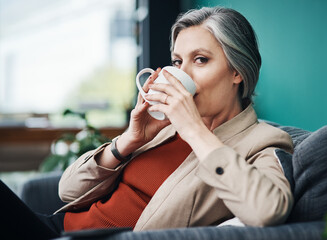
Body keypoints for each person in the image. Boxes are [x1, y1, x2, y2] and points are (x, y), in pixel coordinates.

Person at [37, 6, 295, 234]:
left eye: (200, 60)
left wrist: (194, 129)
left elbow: (267, 212)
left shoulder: (264, 141)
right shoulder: (162, 129)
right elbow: (67, 191)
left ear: (237, 71)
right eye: (177, 61)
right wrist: (129, 140)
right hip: (59, 226)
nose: (181, 75)